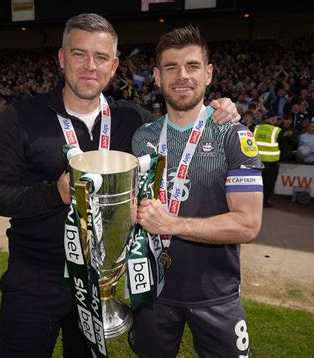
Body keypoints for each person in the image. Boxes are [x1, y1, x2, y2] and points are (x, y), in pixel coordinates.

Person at [0, 13, 240, 357]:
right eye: (79, 54)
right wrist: (54, 193)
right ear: (61, 58)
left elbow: (180, 120)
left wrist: (219, 109)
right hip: (35, 279)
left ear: (113, 66)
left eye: (100, 58)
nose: (89, 66)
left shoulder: (132, 120)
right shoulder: (22, 117)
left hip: (103, 286)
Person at [129, 25, 263, 358]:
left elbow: (248, 224)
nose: (181, 75)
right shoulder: (142, 137)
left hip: (216, 295)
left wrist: (171, 224)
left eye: (192, 66)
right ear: (157, 77)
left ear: (208, 73)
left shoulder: (233, 135)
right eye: (171, 67)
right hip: (153, 293)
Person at [254, 110, 282, 207]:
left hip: (257, 160)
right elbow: (282, 145)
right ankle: (264, 201)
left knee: (256, 182)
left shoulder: (256, 128)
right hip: (272, 161)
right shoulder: (276, 130)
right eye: (275, 118)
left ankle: (253, 201)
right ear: (271, 118)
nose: (276, 120)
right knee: (269, 183)